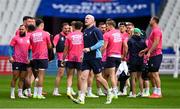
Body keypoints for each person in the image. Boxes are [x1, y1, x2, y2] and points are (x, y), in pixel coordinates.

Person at [72, 15, 113, 104]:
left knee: (98, 77)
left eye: (88, 18)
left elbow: (101, 42)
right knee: (83, 77)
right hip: (86, 57)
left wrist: (90, 49)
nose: (85, 19)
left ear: (93, 20)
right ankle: (81, 98)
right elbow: (85, 45)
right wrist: (83, 53)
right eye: (85, 18)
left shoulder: (96, 30)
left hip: (95, 57)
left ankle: (109, 92)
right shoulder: (85, 31)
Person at [102, 19, 126, 98]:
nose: (106, 27)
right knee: (114, 75)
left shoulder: (107, 34)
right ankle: (114, 91)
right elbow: (124, 45)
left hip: (111, 56)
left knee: (111, 75)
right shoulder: (120, 33)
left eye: (106, 26)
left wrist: (100, 54)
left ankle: (114, 92)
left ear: (109, 25)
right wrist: (124, 55)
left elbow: (104, 47)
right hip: (118, 56)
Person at [139, 16, 163, 98]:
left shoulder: (156, 30)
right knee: (152, 74)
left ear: (154, 21)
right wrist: (145, 50)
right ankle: (156, 91)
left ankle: (159, 93)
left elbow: (156, 43)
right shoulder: (154, 30)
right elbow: (152, 44)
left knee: (155, 74)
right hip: (154, 54)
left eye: (150, 19)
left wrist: (149, 52)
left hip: (156, 54)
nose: (149, 21)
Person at [30, 19, 52, 99]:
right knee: (41, 76)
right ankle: (39, 94)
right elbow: (49, 46)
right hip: (43, 57)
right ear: (42, 25)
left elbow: (32, 45)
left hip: (35, 57)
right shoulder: (45, 34)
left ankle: (35, 94)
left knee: (37, 76)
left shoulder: (32, 34)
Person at [61, 21, 84, 98]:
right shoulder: (83, 35)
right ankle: (80, 93)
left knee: (70, 76)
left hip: (70, 58)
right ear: (81, 28)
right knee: (79, 76)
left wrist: (63, 59)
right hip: (80, 58)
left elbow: (66, 49)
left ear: (73, 27)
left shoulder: (69, 36)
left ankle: (68, 90)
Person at [53, 23, 75, 96]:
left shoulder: (71, 36)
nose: (67, 30)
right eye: (65, 28)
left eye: (68, 28)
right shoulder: (57, 36)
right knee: (60, 74)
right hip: (61, 58)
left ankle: (70, 89)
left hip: (70, 58)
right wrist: (52, 55)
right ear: (62, 28)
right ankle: (55, 90)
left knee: (70, 75)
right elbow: (54, 46)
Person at [9, 25, 30, 99]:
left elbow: (30, 50)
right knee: (15, 77)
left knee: (22, 78)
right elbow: (10, 47)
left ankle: (20, 94)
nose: (21, 30)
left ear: (25, 30)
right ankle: (12, 93)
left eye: (22, 29)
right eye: (20, 29)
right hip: (16, 60)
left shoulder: (28, 38)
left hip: (25, 61)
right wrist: (11, 56)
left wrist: (29, 58)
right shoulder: (15, 38)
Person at [127, 28, 146, 98]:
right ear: (138, 33)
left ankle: (134, 94)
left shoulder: (130, 40)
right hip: (140, 60)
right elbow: (145, 49)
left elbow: (127, 50)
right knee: (140, 77)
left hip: (133, 60)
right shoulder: (142, 41)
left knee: (132, 78)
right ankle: (142, 92)